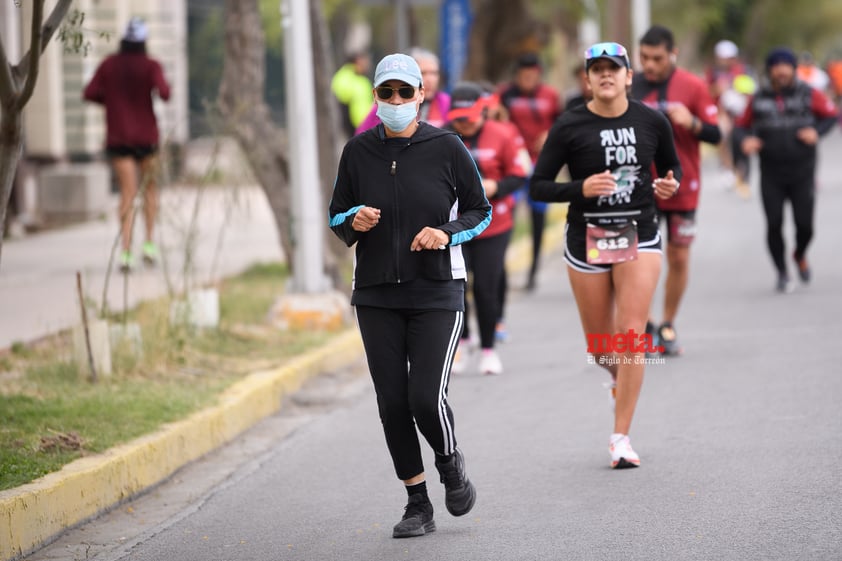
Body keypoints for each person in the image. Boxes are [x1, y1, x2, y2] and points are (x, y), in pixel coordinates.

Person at [328, 53, 489, 538]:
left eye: (405, 92)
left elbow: (480, 211)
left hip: (437, 290)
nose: (395, 101)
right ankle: (417, 501)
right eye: (386, 93)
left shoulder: (447, 147)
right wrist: (352, 220)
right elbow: (336, 216)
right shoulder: (357, 151)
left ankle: (448, 460)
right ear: (376, 98)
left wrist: (445, 233)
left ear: (422, 95)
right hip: (376, 294)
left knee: (424, 396)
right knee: (391, 402)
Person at [530, 42, 681, 469]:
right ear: (588, 79)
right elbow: (538, 186)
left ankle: (621, 437)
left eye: (614, 68)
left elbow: (672, 169)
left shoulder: (652, 121)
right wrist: (580, 189)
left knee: (631, 335)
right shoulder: (570, 125)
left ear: (629, 76)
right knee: (602, 349)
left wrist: (671, 185)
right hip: (587, 237)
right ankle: (620, 380)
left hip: (641, 232)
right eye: (597, 69)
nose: (606, 75)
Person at [631, 25, 722, 356]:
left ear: (673, 54)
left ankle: (668, 323)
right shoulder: (632, 85)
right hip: (639, 186)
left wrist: (692, 122)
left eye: (656, 58)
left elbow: (716, 135)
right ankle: (648, 324)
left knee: (679, 256)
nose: (649, 65)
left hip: (683, 186)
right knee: (638, 258)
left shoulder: (693, 86)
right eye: (644, 58)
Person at [734, 47, 838, 293]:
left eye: (785, 65)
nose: (781, 70)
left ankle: (799, 254)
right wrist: (745, 140)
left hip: (802, 171)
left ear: (793, 68)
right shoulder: (759, 97)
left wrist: (817, 132)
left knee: (805, 225)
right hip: (771, 172)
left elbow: (831, 116)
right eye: (775, 65)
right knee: (774, 223)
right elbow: (740, 127)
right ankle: (781, 271)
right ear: (770, 70)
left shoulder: (809, 94)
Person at [446, 82, 529, 375]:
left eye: (468, 116)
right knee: (457, 285)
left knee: (485, 286)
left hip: (495, 225)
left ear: (482, 111)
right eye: (457, 117)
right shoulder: (442, 137)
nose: (463, 122)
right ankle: (463, 340)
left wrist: (497, 186)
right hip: (455, 226)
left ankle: (488, 349)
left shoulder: (502, 134)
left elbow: (520, 174)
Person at [83, 17, 170, 273]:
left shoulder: (109, 65)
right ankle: (150, 244)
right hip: (147, 138)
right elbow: (165, 93)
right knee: (150, 191)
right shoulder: (151, 65)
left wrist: (111, 103)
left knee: (127, 194)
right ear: (144, 41)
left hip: (119, 138)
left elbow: (89, 93)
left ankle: (126, 252)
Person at [497, 52, 562, 291]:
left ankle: (533, 271)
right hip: (514, 164)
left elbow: (562, 123)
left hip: (541, 164)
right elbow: (495, 119)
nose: (527, 80)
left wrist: (550, 135)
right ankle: (500, 269)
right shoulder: (505, 94)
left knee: (538, 218)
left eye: (532, 76)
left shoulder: (551, 96)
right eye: (523, 76)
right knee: (508, 216)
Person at [355, 47, 450, 133]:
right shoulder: (387, 105)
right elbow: (362, 136)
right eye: (423, 73)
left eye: (434, 73)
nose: (430, 80)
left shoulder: (446, 103)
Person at [705, 39, 755, 197]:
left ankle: (742, 177)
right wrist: (717, 89)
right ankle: (727, 169)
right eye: (722, 57)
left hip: (742, 116)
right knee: (722, 138)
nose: (725, 61)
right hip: (722, 113)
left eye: (728, 57)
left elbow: (750, 91)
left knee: (742, 146)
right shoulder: (713, 73)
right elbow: (707, 92)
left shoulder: (744, 71)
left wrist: (735, 88)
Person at [330, 51, 374, 138]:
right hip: (354, 124)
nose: (367, 64)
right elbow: (341, 93)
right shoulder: (347, 75)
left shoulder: (361, 79)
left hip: (364, 124)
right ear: (358, 61)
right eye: (365, 60)